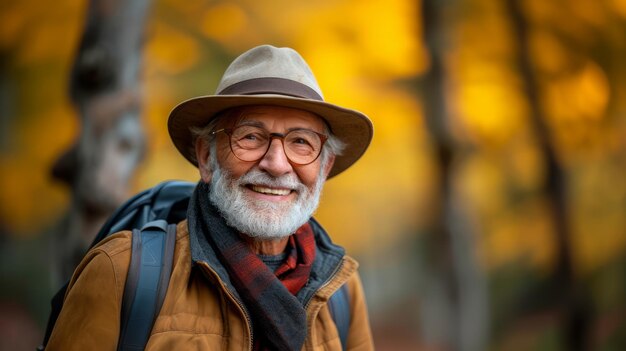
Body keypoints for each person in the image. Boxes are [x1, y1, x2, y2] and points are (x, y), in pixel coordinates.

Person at [46, 45, 374, 350]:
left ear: (324, 166)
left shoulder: (342, 290)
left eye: (301, 142)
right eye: (251, 136)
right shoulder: (120, 271)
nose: (276, 164)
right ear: (206, 157)